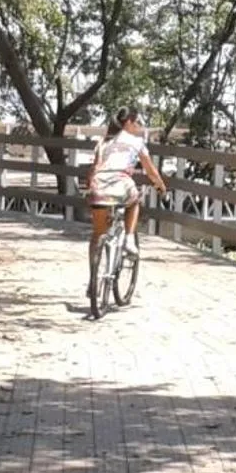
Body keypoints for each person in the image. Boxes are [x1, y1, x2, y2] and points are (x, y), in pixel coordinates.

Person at [86, 106, 167, 317]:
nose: (140, 127)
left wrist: (92, 187)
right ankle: (130, 239)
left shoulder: (103, 142)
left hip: (98, 186)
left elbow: (94, 169)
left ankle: (93, 280)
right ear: (129, 122)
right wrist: (160, 186)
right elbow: (150, 170)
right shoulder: (136, 142)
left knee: (97, 234)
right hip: (120, 183)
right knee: (134, 201)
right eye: (138, 122)